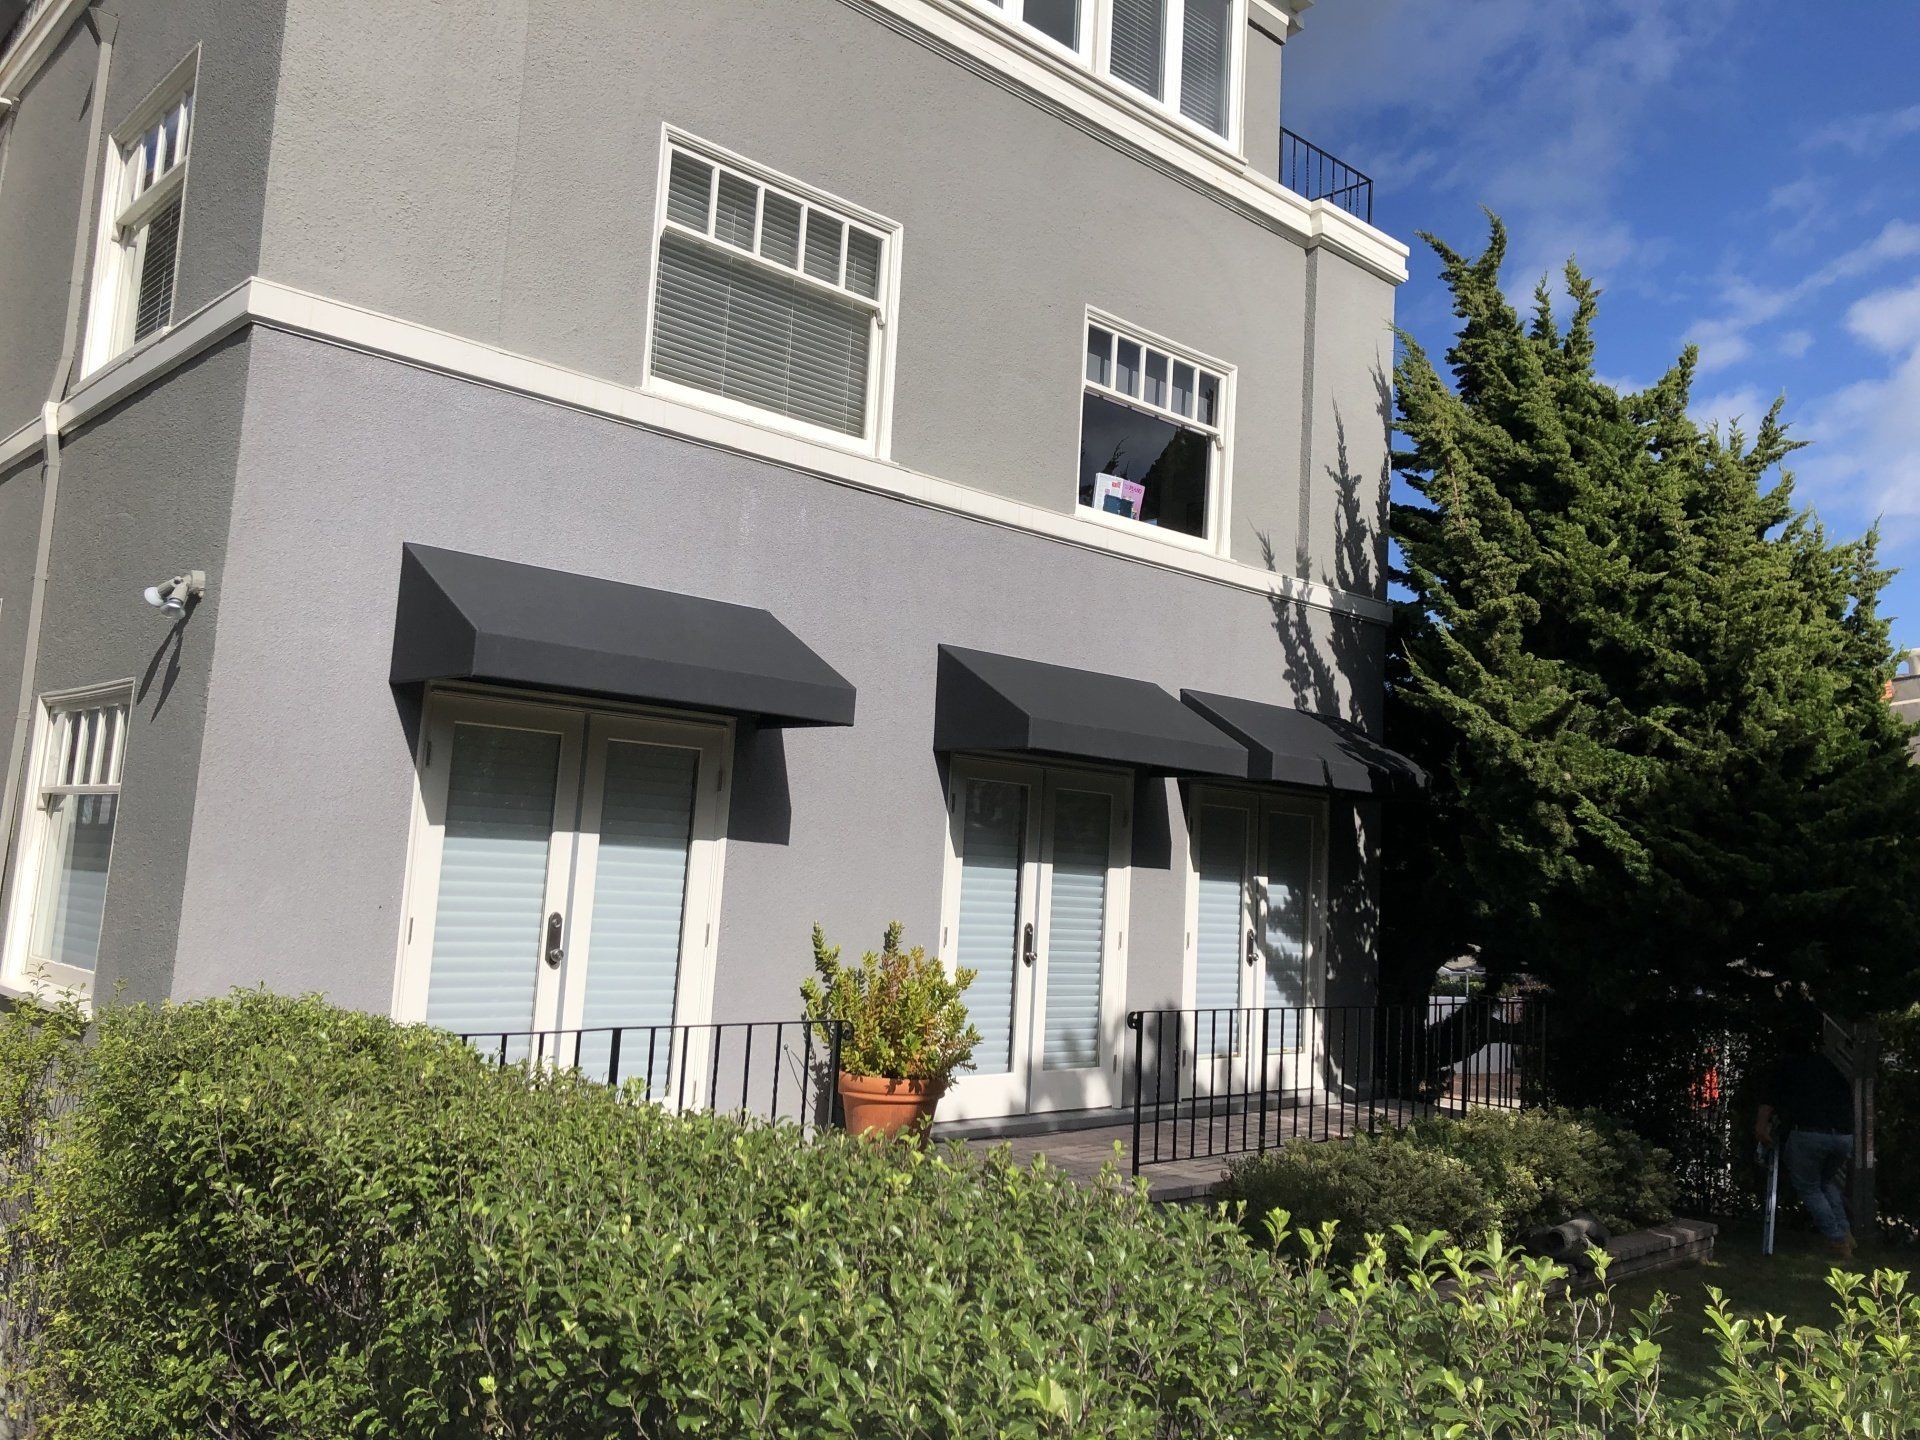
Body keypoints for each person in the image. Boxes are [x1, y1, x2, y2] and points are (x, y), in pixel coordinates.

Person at [1756, 1037, 1856, 1259]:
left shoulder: (1787, 1066)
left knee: (1808, 1187)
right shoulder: (1827, 1066)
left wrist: (1762, 1126)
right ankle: (1845, 1231)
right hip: (1842, 1135)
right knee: (1825, 1182)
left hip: (1809, 1133)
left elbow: (1769, 1100)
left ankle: (1837, 1241)